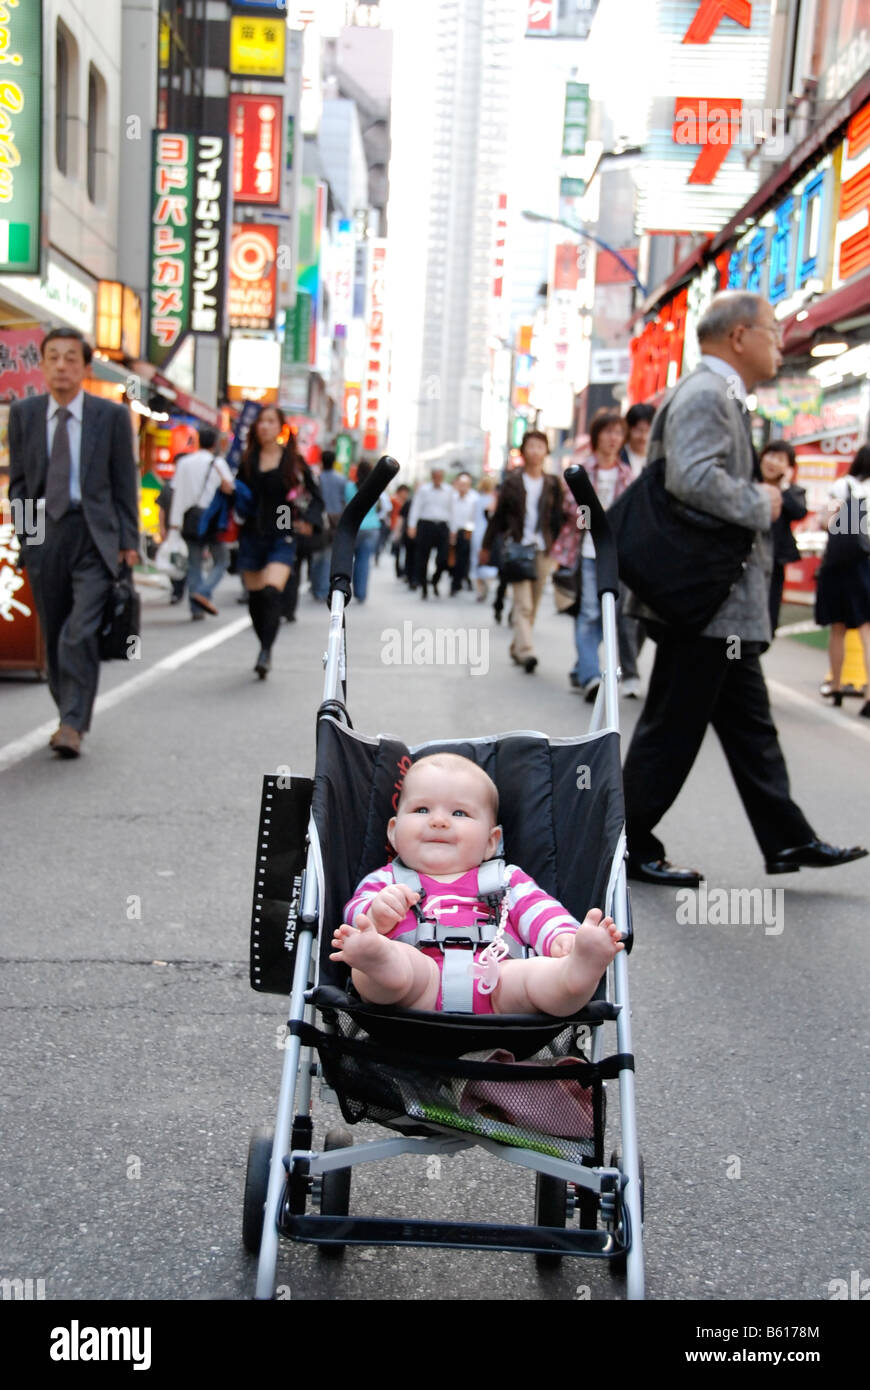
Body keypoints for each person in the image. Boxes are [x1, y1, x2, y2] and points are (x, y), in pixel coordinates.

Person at [621, 290, 867, 884]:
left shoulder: (720, 394)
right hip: (703, 604)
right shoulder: (708, 394)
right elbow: (694, 478)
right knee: (672, 727)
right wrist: (766, 497)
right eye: (774, 332)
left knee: (750, 729)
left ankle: (788, 840)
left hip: (719, 608)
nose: (781, 343)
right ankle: (624, 841)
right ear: (738, 337)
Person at [331, 753, 622, 1016]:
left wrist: (562, 938)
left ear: (490, 842)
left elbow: (541, 910)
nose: (439, 821)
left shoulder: (506, 880)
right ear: (393, 833)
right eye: (421, 810)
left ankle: (576, 974)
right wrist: (374, 914)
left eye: (459, 814)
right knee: (391, 963)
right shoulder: (386, 880)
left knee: (536, 975)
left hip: (499, 981)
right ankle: (376, 959)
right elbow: (354, 911)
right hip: (418, 985)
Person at [8, 326, 140, 759]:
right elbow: (21, 487)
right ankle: (69, 712)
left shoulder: (111, 416)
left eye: (70, 358)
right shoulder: (24, 414)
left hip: (94, 534)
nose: (61, 365)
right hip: (45, 533)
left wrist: (128, 540)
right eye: (53, 357)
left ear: (85, 368)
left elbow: (125, 483)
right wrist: (28, 540)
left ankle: (72, 724)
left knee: (78, 631)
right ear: (42, 365)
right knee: (53, 632)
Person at [237, 405, 324, 679]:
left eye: (270, 421)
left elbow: (316, 498)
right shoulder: (247, 460)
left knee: (271, 592)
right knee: (254, 598)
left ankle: (265, 651)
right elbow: (239, 498)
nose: (264, 426)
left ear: (281, 427)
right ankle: (263, 643)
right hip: (251, 534)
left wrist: (308, 520)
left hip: (283, 533)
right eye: (261, 422)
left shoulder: (293, 462)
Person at [479, 430, 564, 673]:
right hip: (517, 548)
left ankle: (517, 646)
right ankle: (527, 652)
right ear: (523, 451)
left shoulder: (553, 483)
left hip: (543, 550)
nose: (535, 451)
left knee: (534, 605)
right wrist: (486, 546)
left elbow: (558, 517)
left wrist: (557, 544)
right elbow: (498, 519)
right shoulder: (512, 482)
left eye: (540, 446)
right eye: (531, 446)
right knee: (523, 604)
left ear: (546, 451)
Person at [568, 409, 633, 701]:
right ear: (596, 436)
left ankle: (586, 664)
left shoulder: (626, 475)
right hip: (587, 550)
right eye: (607, 432)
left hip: (617, 555)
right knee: (590, 612)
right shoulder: (581, 471)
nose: (613, 438)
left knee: (611, 614)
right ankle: (591, 676)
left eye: (618, 433)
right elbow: (571, 510)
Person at [814, 444, 870, 717]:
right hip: (867, 564)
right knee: (866, 629)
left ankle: (836, 687)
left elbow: (827, 522)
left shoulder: (842, 486)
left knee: (838, 628)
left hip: (840, 563)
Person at [166, 427, 235, 620]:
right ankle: (203, 593)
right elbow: (230, 488)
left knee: (194, 563)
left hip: (189, 518)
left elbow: (176, 493)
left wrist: (174, 523)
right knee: (222, 560)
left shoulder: (185, 463)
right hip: (212, 519)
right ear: (214, 443)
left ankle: (196, 608)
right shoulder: (218, 463)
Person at [758, 440, 807, 635]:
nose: (773, 462)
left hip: (775, 559)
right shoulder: (748, 484)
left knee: (770, 612)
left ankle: (757, 646)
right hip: (747, 557)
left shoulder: (792, 492)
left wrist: (784, 486)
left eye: (780, 459)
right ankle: (737, 653)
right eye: (770, 455)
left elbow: (799, 511)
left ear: (788, 467)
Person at [406, 466, 452, 598]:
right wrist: (412, 525)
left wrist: (453, 530)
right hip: (426, 526)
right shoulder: (424, 490)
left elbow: (452, 510)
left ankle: (435, 580)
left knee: (443, 558)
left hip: (442, 526)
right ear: (432, 477)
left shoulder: (448, 490)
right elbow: (416, 507)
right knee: (422, 557)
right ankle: (424, 587)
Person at [309, 449, 347, 601]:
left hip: (319, 518)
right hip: (336, 520)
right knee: (328, 555)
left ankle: (315, 585)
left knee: (316, 553)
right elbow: (344, 500)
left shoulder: (316, 478)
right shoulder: (341, 479)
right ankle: (323, 589)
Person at [345, 460, 381, 602]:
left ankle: (347, 590)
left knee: (349, 560)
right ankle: (361, 593)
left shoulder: (349, 487)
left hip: (354, 527)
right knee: (364, 560)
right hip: (372, 527)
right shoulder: (376, 487)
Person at [448, 470, 477, 595]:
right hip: (454, 531)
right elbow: (450, 516)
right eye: (460, 484)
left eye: (465, 484)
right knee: (454, 559)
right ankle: (456, 583)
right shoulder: (452, 498)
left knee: (465, 559)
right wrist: (452, 532)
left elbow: (474, 517)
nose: (462, 487)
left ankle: (463, 580)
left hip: (468, 532)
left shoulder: (474, 498)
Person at [470, 475, 498, 602]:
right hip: (489, 533)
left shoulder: (476, 500)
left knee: (477, 559)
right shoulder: (494, 500)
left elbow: (471, 517)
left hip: (478, 532)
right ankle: (488, 580)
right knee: (490, 558)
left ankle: (480, 588)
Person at [620, 402, 655, 478]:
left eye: (648, 431)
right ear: (628, 429)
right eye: (639, 430)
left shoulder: (657, 460)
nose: (643, 437)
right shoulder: (618, 458)